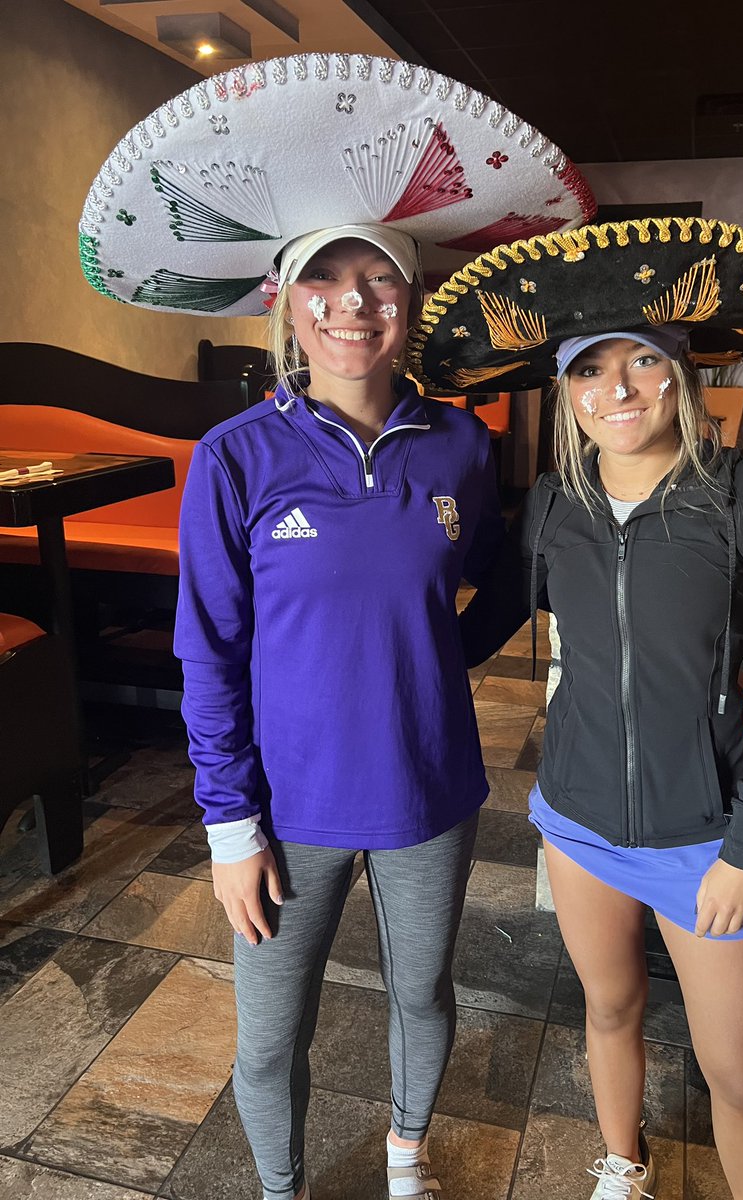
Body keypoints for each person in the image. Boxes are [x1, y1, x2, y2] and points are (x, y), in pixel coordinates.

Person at [78, 53, 595, 1200]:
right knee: (270, 1035)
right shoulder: (237, 459)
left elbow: (499, 582)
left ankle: (407, 1163)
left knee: (422, 992)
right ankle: (284, 1188)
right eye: (327, 282)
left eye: (381, 282)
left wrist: (433, 665)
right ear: (286, 304)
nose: (354, 304)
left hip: (428, 788)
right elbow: (206, 651)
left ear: (410, 305)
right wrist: (226, 826)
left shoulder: (459, 442)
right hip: (285, 803)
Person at [409, 217, 743, 1200]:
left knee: (739, 1076)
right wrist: (380, 656)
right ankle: (623, 1164)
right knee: (608, 1011)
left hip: (706, 837)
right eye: (587, 371)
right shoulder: (556, 503)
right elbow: (482, 627)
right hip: (575, 820)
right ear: (564, 391)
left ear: (681, 373)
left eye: (640, 363)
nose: (614, 391)